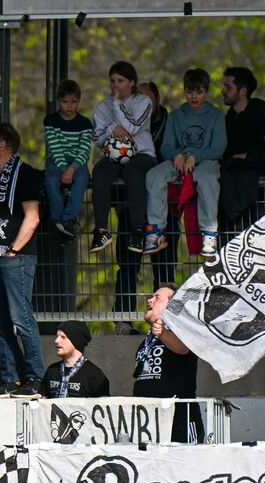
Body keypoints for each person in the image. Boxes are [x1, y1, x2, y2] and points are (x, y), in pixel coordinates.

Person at [0, 122, 45, 397]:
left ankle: (36, 377)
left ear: (3, 145)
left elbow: (32, 217)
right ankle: (11, 378)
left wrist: (14, 249)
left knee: (21, 318)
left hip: (16, 257)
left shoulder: (25, 174)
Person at [144, 67, 227, 260]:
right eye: (190, 91)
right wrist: (177, 155)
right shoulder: (175, 116)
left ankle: (209, 233)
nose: (194, 96)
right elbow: (166, 147)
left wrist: (195, 156)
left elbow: (218, 148)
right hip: (179, 161)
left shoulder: (215, 116)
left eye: (199, 92)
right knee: (154, 175)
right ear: (184, 91)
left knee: (207, 177)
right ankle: (155, 230)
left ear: (206, 92)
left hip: (206, 161)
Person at [112, 81, 174, 331]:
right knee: (127, 265)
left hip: (166, 210)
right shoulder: (126, 123)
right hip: (132, 209)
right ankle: (123, 319)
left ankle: (166, 318)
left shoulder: (169, 125)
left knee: (165, 266)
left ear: (157, 101)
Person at [90, 61, 157, 254]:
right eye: (112, 81)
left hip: (142, 154)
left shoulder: (143, 102)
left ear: (131, 82)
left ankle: (138, 231)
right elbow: (97, 135)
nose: (115, 85)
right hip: (113, 156)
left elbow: (133, 127)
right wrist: (113, 128)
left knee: (133, 173)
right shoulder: (103, 105)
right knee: (100, 172)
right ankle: (101, 229)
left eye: (120, 80)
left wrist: (118, 104)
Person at [133, 283, 204, 444]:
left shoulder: (183, 331)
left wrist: (163, 332)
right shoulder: (147, 342)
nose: (149, 301)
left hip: (179, 423)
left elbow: (182, 348)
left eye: (157, 298)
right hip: (150, 424)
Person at [219, 66, 265, 234]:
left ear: (243, 90)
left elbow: (264, 150)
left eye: (228, 87)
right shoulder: (226, 121)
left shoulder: (261, 115)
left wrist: (245, 157)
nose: (223, 90)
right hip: (231, 200)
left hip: (258, 199)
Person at [43, 79, 93, 239]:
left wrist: (72, 169)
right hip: (57, 158)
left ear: (79, 102)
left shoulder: (85, 123)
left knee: (82, 177)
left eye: (74, 102)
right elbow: (54, 147)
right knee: (50, 177)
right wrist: (65, 168)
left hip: (77, 160)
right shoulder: (50, 121)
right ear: (59, 102)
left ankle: (70, 217)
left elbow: (85, 149)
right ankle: (57, 217)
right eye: (65, 102)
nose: (69, 106)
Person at [43, 320, 110, 399]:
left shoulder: (95, 375)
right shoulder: (52, 370)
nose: (56, 341)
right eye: (57, 336)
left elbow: (103, 407)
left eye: (63, 337)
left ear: (76, 341)